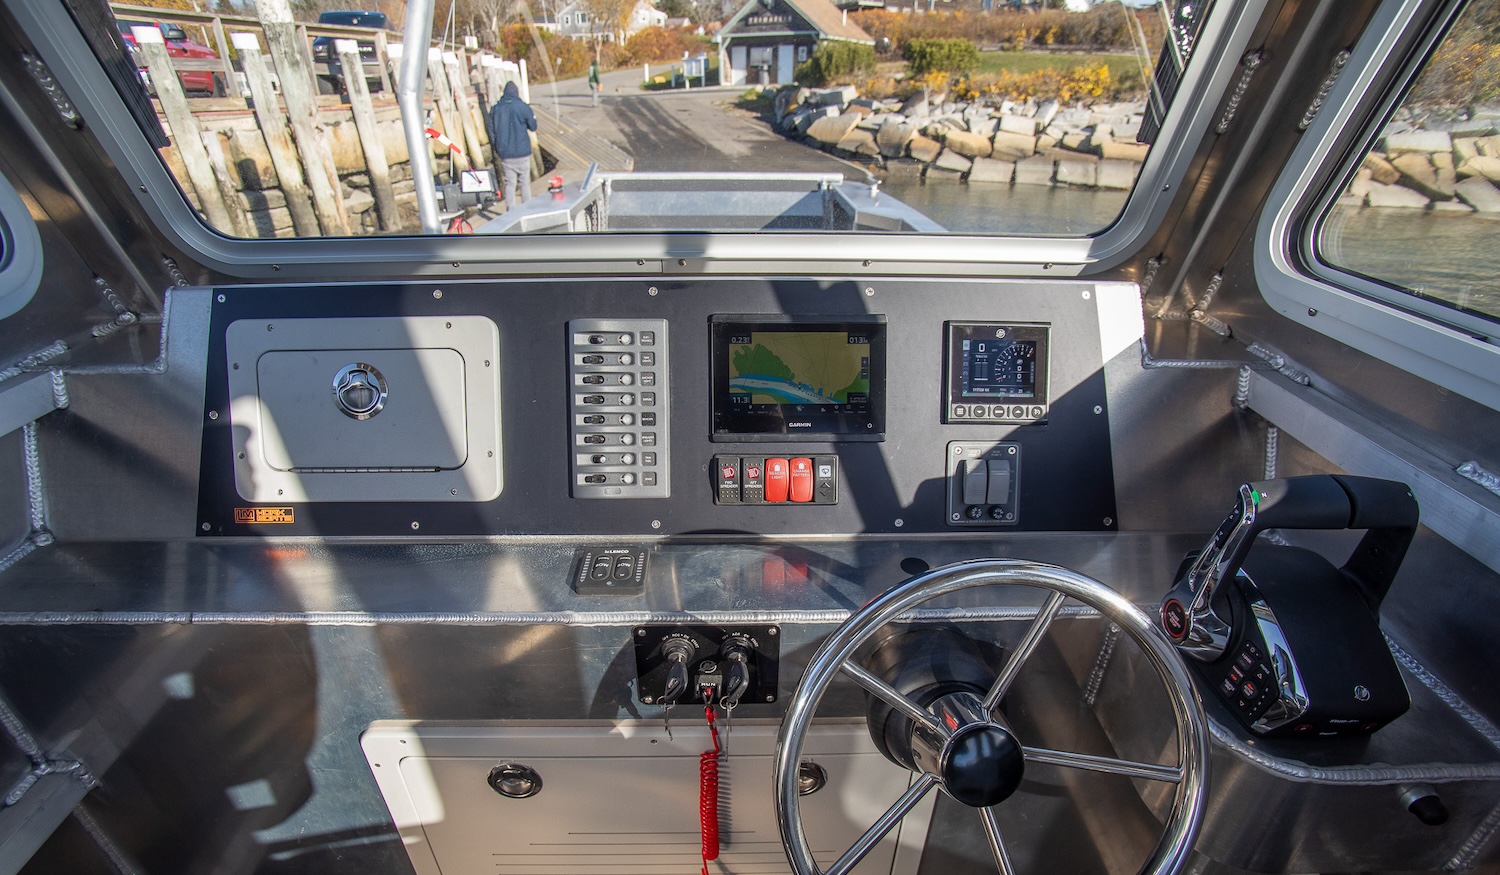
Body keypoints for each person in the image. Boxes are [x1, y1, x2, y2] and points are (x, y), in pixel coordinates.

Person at [487, 81, 537, 208]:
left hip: (506, 154)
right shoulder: (523, 107)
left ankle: (510, 211)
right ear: (516, 93)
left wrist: (498, 149)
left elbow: (492, 132)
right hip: (522, 152)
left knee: (510, 184)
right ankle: (527, 209)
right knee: (524, 183)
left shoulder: (495, 109)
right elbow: (533, 127)